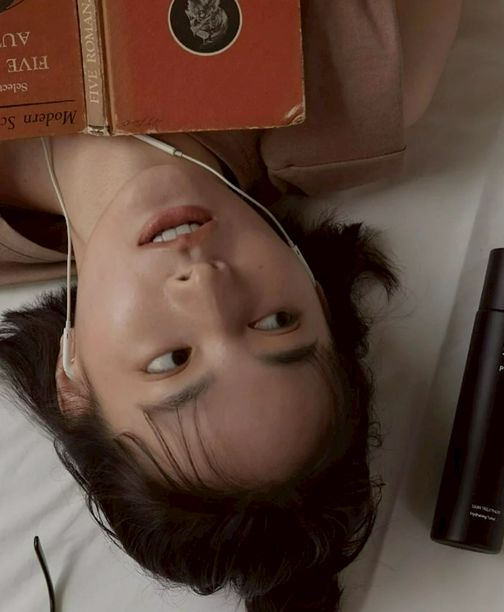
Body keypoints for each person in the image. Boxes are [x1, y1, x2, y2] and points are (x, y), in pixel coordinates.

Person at [0, 1, 462, 610]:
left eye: (172, 360)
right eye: (276, 322)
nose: (206, 285)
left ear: (73, 379)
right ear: (317, 295)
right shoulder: (357, 80)